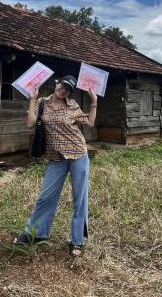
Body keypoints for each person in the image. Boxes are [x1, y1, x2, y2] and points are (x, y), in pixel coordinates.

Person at [12, 74, 98, 258]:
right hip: (56, 159)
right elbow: (30, 123)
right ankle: (35, 233)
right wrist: (32, 99)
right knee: (45, 197)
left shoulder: (72, 105)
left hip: (78, 155)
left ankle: (77, 241)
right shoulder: (42, 103)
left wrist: (94, 102)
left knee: (79, 199)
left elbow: (89, 123)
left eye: (68, 89)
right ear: (56, 83)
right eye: (63, 85)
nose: (64, 89)